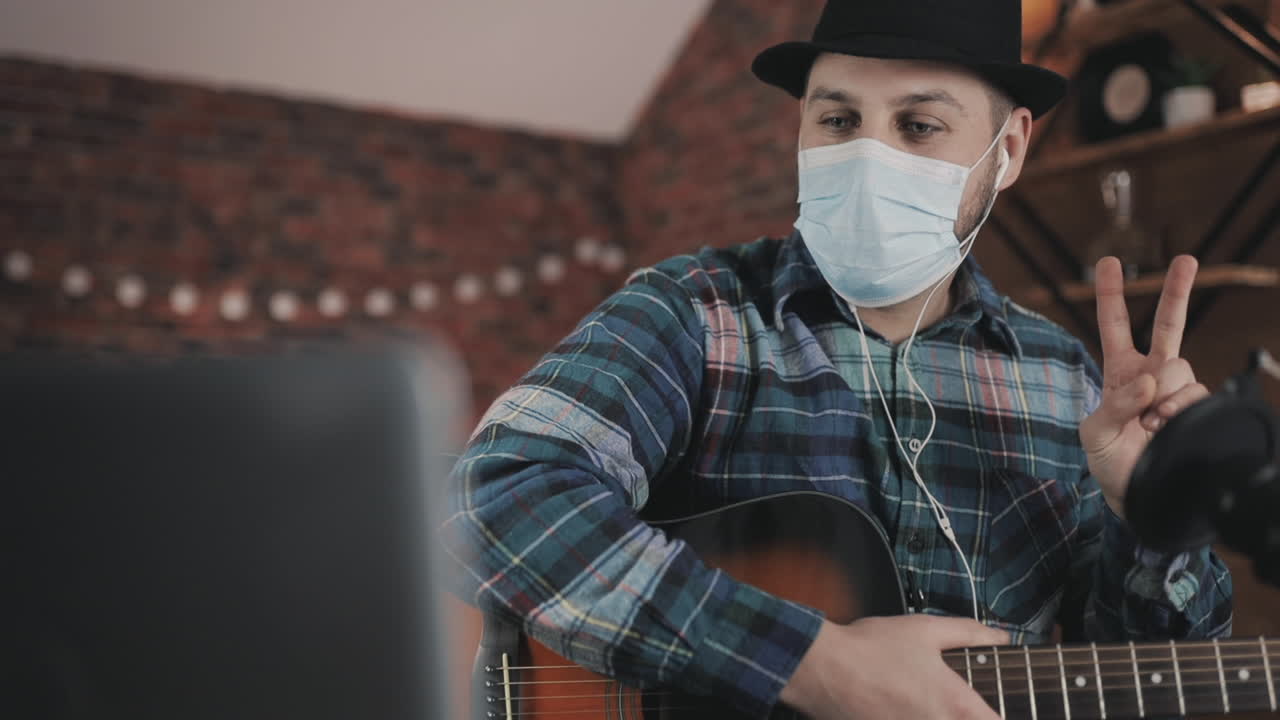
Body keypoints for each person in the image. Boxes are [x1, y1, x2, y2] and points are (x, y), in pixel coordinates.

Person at [442, 1, 1234, 718]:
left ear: (1010, 148)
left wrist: (1152, 517)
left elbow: (1142, 676)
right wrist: (807, 663)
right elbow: (491, 498)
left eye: (918, 126)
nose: (866, 153)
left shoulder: (1068, 382)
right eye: (837, 119)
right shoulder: (696, 312)